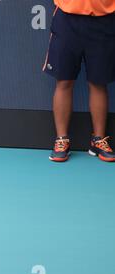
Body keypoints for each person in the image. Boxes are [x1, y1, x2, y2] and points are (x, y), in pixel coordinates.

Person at [43, 0, 115, 162]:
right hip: (67, 20)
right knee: (64, 81)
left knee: (98, 82)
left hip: (103, 19)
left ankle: (98, 140)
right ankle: (61, 139)